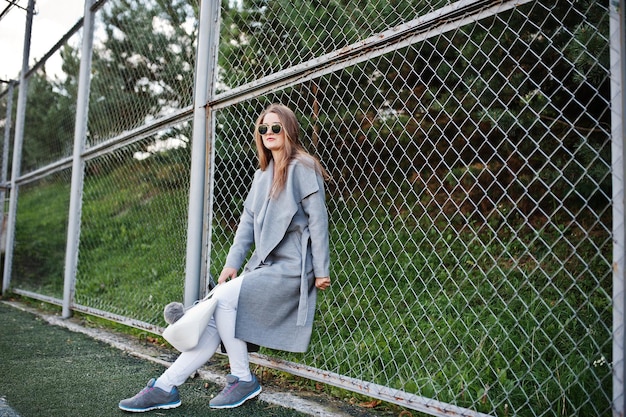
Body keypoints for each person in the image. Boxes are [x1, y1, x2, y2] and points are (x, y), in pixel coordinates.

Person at [119, 103, 332, 412]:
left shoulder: (303, 166)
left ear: (289, 130)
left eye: (276, 127)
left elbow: (318, 221)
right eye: (263, 128)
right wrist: (232, 264)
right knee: (216, 321)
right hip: (264, 265)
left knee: (222, 301)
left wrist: (322, 269)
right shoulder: (262, 175)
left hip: (293, 268)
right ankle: (165, 386)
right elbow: (246, 223)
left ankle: (241, 376)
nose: (269, 133)